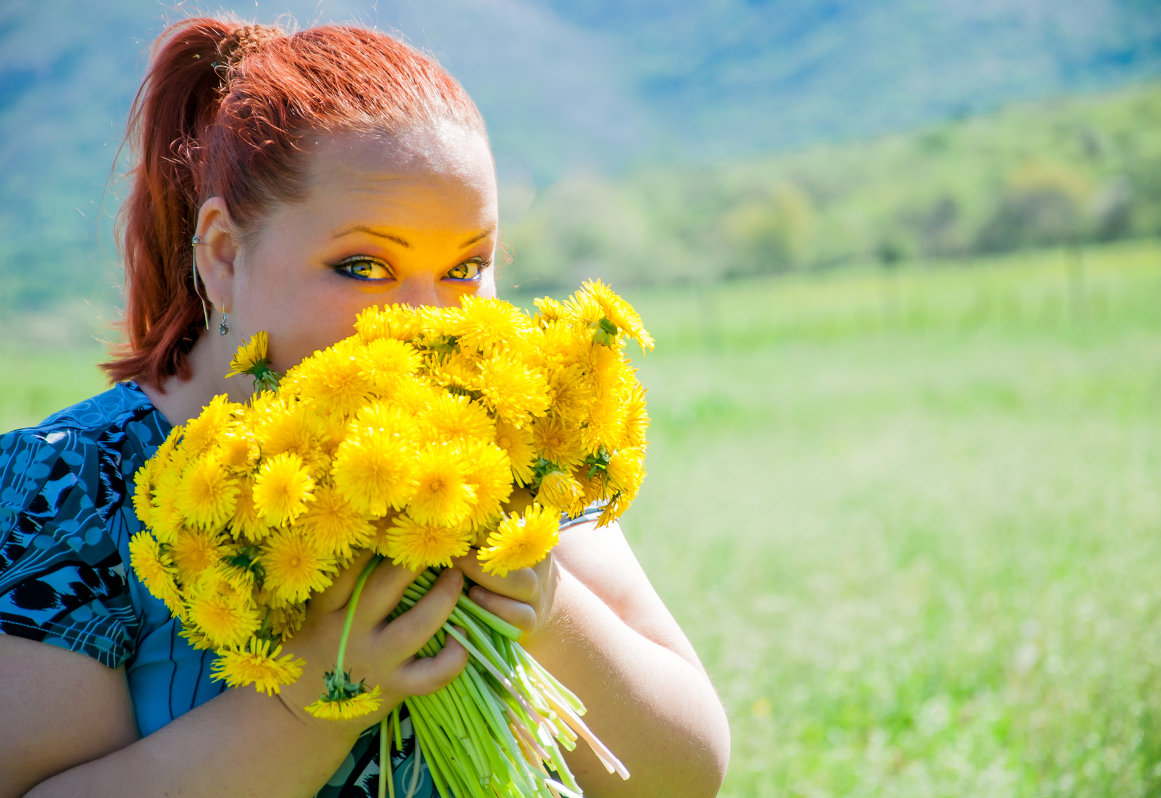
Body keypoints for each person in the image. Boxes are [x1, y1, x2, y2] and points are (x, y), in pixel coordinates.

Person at [0, 16, 729, 798]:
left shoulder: (507, 444)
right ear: (222, 254)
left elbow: (684, 775)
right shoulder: (69, 485)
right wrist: (309, 707)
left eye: (466, 266)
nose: (422, 320)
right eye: (363, 266)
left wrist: (546, 606)